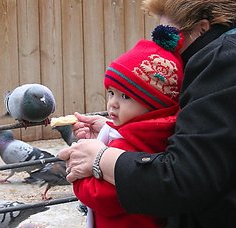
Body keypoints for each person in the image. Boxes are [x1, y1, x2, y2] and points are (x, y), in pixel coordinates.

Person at [58, 0, 236, 227]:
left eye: (166, 36)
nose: (163, 49)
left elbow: (183, 181)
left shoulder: (226, 60)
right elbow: (221, 150)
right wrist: (119, 133)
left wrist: (99, 158)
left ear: (202, 28)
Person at [74, 25, 184, 228]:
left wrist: (79, 173)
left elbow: (101, 197)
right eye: (111, 93)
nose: (113, 103)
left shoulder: (130, 145)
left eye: (125, 96)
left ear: (154, 106)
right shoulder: (156, 133)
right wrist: (102, 134)